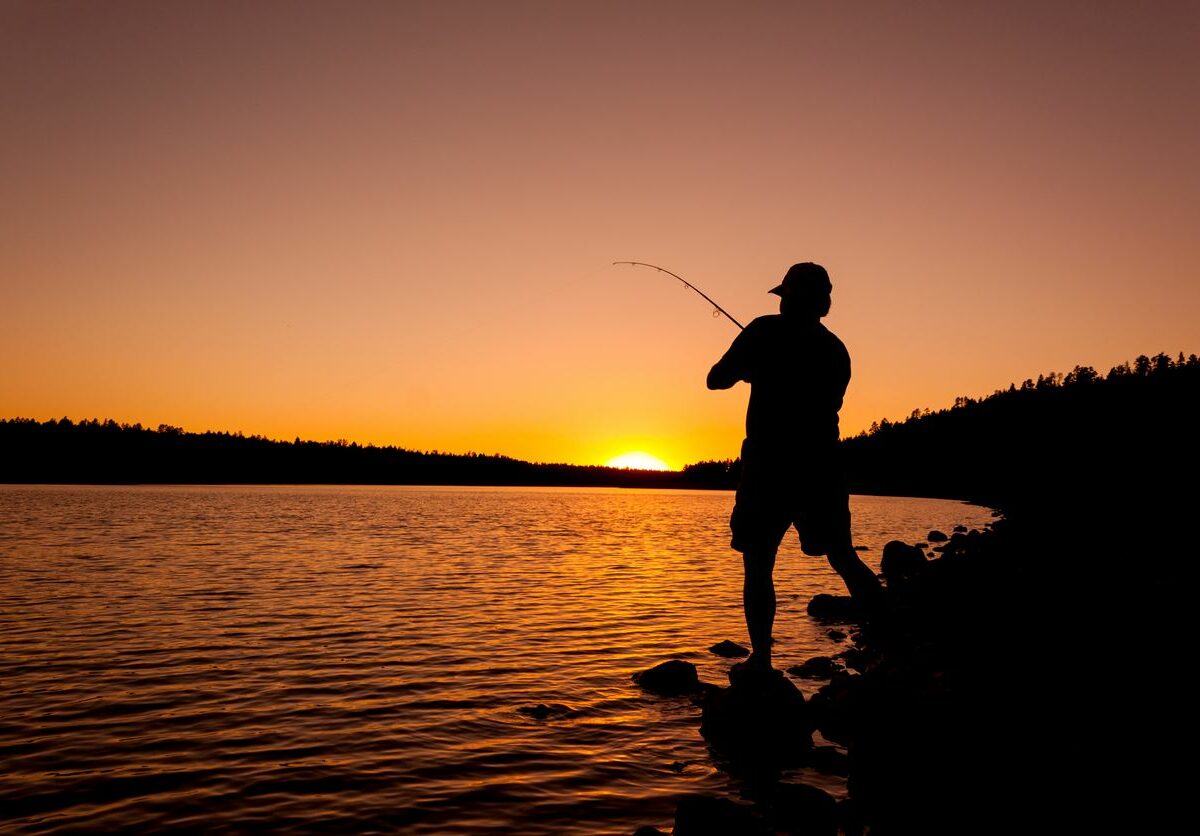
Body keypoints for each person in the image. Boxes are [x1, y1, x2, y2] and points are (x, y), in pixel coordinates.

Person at [707, 262, 882, 673]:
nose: (782, 304)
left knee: (758, 562)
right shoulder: (837, 350)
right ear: (824, 305)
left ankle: (762, 661)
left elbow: (716, 380)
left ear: (788, 299)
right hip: (823, 466)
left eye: (785, 296)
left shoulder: (763, 330)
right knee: (842, 556)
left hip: (769, 465)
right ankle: (888, 637)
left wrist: (752, 368)